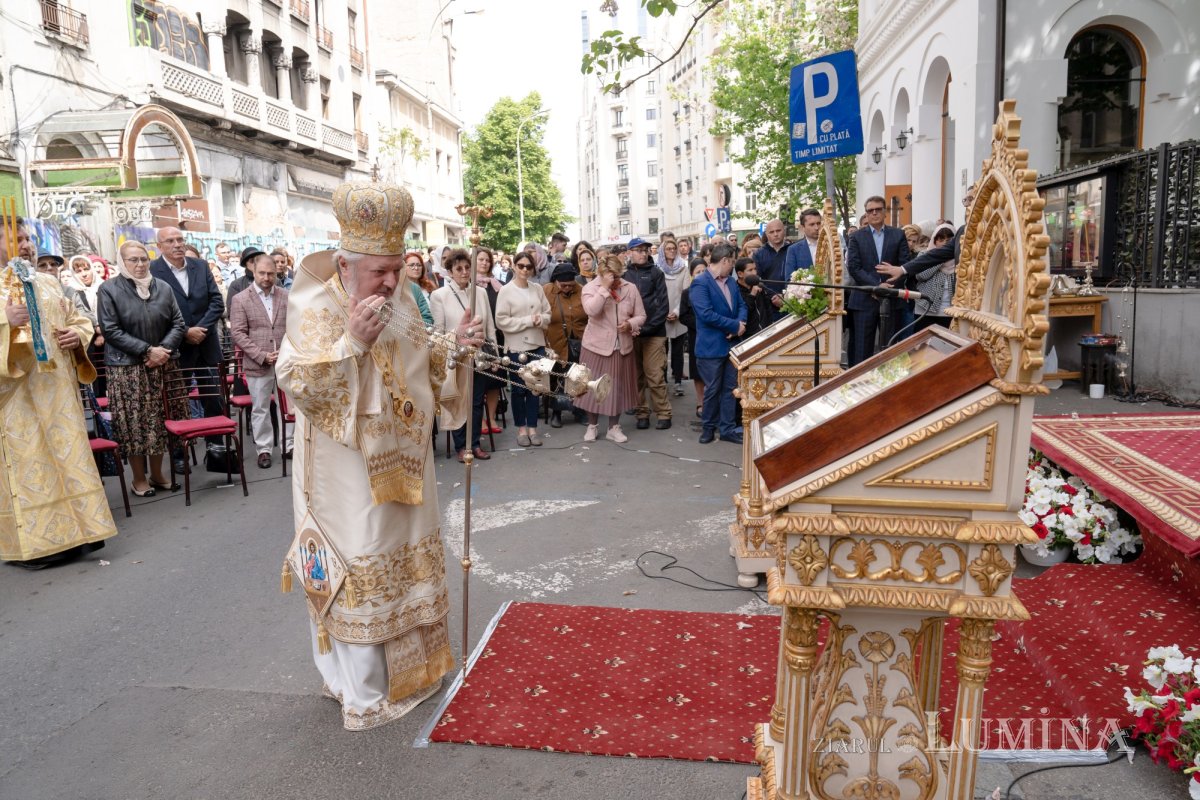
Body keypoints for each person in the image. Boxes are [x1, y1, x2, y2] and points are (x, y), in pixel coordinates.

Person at [275, 180, 478, 731]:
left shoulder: (403, 296)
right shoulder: (314, 298)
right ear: (345, 265)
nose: (392, 281)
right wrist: (352, 346)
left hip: (406, 460)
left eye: (398, 268)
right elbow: (298, 379)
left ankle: (414, 674)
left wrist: (455, 347)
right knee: (363, 556)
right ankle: (362, 688)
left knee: (408, 554)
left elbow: (422, 359)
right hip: (347, 470)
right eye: (380, 272)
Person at [1, 219, 117, 567]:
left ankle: (82, 531)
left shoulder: (47, 282)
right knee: (32, 466)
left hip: (59, 393)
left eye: (27, 238)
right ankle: (39, 545)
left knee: (68, 459)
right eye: (16, 238)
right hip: (16, 397)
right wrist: (5, 321)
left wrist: (76, 337)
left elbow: (79, 320)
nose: (25, 245)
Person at [97, 239, 188, 498]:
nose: (139, 264)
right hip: (128, 368)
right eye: (133, 260)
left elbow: (178, 324)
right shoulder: (108, 289)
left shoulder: (163, 287)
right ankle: (138, 479)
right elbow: (110, 330)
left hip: (163, 364)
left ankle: (158, 474)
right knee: (135, 425)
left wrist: (162, 351)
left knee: (159, 423)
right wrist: (148, 350)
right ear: (122, 263)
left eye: (143, 259)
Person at [151, 227, 226, 470]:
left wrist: (200, 329)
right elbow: (154, 310)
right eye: (170, 241)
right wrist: (185, 332)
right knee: (176, 401)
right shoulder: (153, 271)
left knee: (213, 398)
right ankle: (179, 455)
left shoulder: (200, 267)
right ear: (159, 246)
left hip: (205, 342)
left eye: (180, 239)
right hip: (175, 347)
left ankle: (217, 451)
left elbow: (216, 301)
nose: (177, 244)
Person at [430, 248, 496, 462]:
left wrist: (493, 354)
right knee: (459, 401)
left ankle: (474, 443)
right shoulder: (439, 295)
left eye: (467, 267)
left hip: (479, 356)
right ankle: (461, 446)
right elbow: (438, 331)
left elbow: (490, 327)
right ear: (449, 271)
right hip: (456, 357)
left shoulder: (481, 292)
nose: (464, 272)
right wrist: (453, 344)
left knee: (476, 402)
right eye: (459, 268)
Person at [229, 249, 290, 469]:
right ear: (253, 271)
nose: (266, 278)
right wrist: (261, 355)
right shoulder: (240, 299)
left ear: (277, 273)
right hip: (258, 363)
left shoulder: (285, 295)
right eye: (262, 273)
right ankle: (264, 449)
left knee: (287, 406)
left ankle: (288, 445)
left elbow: (293, 327)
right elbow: (238, 333)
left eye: (271, 274)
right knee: (261, 408)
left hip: (285, 361)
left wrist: (286, 352)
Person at [577, 254, 645, 443]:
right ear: (601, 273)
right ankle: (592, 426)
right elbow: (591, 310)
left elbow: (641, 315)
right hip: (595, 347)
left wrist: (630, 324)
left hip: (621, 347)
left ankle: (613, 427)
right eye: (610, 276)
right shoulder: (590, 288)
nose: (615, 280)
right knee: (592, 388)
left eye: (617, 276)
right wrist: (604, 289)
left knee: (617, 389)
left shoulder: (630, 288)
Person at [690, 242, 746, 445]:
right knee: (712, 389)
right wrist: (733, 326)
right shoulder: (701, 283)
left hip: (730, 345)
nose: (733, 267)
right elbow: (705, 314)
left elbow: (741, 305)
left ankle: (727, 429)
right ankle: (708, 428)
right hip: (711, 347)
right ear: (724, 260)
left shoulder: (731, 282)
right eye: (731, 263)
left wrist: (740, 324)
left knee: (730, 388)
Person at [845, 196, 911, 366]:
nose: (874, 213)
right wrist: (876, 286)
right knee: (861, 349)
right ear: (866, 214)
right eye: (870, 210)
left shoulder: (898, 235)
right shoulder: (857, 237)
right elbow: (853, 267)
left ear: (885, 211)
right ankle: (858, 385)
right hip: (864, 300)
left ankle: (888, 387)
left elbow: (905, 265)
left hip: (891, 298)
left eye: (878, 209)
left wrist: (887, 288)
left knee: (890, 348)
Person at [495, 250, 551, 446]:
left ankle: (533, 429)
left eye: (529, 266)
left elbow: (548, 314)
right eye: (521, 266)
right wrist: (528, 320)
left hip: (537, 344)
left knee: (535, 389)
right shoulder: (506, 290)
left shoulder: (537, 288)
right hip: (516, 347)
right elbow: (501, 321)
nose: (525, 270)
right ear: (514, 267)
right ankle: (521, 429)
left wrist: (540, 319)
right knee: (519, 390)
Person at [623, 237, 671, 430]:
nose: (643, 253)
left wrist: (646, 328)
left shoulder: (656, 273)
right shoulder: (624, 276)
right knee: (636, 376)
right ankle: (642, 413)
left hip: (654, 332)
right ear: (629, 253)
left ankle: (664, 413)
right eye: (639, 250)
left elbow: (663, 306)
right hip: (630, 333)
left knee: (655, 375)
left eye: (646, 250)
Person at [543, 261, 587, 427]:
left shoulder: (582, 290)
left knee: (579, 377)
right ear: (556, 281)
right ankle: (557, 412)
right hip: (555, 342)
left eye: (570, 285)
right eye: (563, 285)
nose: (567, 288)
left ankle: (580, 410)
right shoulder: (546, 291)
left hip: (579, 342)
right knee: (557, 377)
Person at [473, 248, 505, 433]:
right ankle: (481, 420)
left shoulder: (497, 285)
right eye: (480, 259)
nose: (484, 263)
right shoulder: (468, 284)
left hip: (495, 337)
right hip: (476, 335)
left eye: (487, 260)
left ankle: (491, 418)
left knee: (495, 380)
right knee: (480, 382)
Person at [655, 237, 690, 397]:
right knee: (662, 351)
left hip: (678, 314)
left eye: (673, 248)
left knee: (677, 351)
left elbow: (686, 292)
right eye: (668, 249)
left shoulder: (683, 268)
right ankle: (662, 381)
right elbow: (655, 294)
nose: (672, 251)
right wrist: (663, 312)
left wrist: (676, 312)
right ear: (663, 251)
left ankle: (677, 381)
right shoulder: (657, 269)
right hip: (661, 315)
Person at [908, 222, 958, 331]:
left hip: (949, 311)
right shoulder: (924, 255)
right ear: (934, 241)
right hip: (925, 309)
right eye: (941, 240)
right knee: (922, 345)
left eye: (949, 240)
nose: (945, 243)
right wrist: (940, 258)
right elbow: (921, 276)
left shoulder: (959, 259)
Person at [678, 258, 707, 419]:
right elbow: (683, 316)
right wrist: (701, 323)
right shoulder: (687, 293)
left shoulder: (712, 291)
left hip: (712, 337)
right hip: (696, 336)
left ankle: (711, 402)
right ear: (692, 275)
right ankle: (700, 402)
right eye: (698, 272)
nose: (701, 274)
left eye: (704, 271)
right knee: (697, 373)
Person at [751, 218, 791, 319]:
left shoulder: (792, 250)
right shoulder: (758, 254)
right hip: (769, 305)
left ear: (784, 231)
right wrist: (774, 297)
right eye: (771, 232)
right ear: (767, 234)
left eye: (778, 230)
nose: (775, 234)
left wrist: (785, 297)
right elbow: (757, 280)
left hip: (792, 302)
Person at [735, 257, 773, 336]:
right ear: (740, 274)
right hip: (750, 338)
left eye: (755, 269)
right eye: (750, 270)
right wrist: (752, 295)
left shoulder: (758, 284)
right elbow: (743, 314)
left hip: (768, 332)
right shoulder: (734, 291)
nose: (755, 273)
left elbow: (767, 308)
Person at [783, 208, 823, 277]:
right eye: (812, 224)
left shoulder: (829, 246)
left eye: (818, 223)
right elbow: (789, 280)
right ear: (802, 227)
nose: (816, 228)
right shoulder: (793, 250)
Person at [403, 250, 435, 325]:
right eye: (412, 265)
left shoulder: (430, 285)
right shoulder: (402, 289)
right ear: (404, 267)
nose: (416, 268)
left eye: (419, 265)